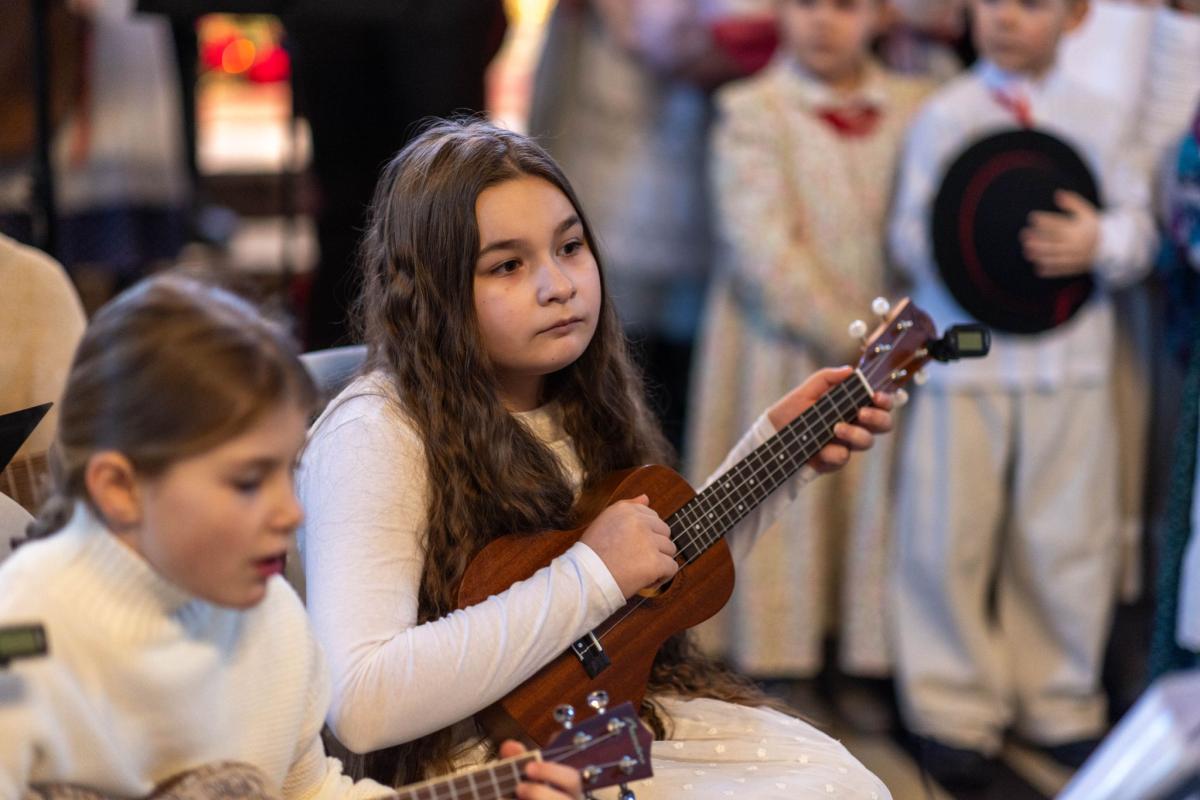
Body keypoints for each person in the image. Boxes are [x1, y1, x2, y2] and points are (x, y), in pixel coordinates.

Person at [297, 118, 895, 798]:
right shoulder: (377, 432)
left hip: (592, 723)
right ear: (432, 292)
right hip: (473, 768)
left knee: (845, 784)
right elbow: (362, 702)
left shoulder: (577, 393)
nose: (559, 284)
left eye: (570, 247)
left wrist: (777, 453)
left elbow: (651, 591)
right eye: (507, 265)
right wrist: (592, 573)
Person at [0, 274, 581, 800]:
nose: (289, 512)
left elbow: (313, 790)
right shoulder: (25, 641)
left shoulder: (272, 620)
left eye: (288, 470)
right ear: (120, 489)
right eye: (248, 481)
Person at [886, 0, 1158, 787]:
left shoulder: (1102, 118)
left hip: (1070, 362)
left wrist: (1099, 239)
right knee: (948, 532)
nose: (1006, 18)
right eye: (991, 1)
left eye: (1031, 3)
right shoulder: (943, 117)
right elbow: (908, 234)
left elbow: (1138, 230)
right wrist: (976, 240)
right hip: (966, 358)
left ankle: (1059, 700)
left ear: (1075, 17)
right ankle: (949, 708)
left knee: (1067, 534)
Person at [686, 0, 932, 704]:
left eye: (845, 6)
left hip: (885, 352)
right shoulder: (750, 110)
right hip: (782, 349)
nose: (823, 21)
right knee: (783, 502)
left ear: (881, 15)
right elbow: (760, 248)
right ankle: (775, 659)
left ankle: (860, 658)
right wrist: (861, 342)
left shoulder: (919, 108)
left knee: (870, 500)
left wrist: (896, 339)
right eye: (805, 3)